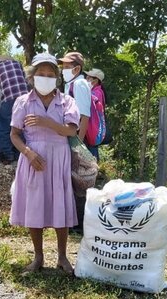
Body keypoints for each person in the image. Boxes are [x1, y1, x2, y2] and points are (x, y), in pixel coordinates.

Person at [10, 53, 80, 275]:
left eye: (50, 75)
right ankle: (38, 256)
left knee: (60, 205)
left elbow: (71, 130)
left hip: (59, 157)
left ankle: (62, 256)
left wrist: (46, 122)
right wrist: (28, 153)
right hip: (33, 160)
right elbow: (14, 134)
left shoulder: (67, 102)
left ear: (57, 78)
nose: (46, 78)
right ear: (32, 77)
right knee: (35, 206)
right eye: (41, 74)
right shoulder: (23, 101)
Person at [58, 51, 91, 234]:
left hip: (77, 139)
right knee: (74, 180)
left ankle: (78, 224)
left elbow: (84, 115)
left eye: (67, 66)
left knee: (80, 181)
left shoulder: (78, 84)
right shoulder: (71, 84)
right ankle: (73, 221)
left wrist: (79, 145)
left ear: (77, 68)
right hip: (71, 137)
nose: (63, 70)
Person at [0, 55, 29, 164]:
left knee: (5, 127)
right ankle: (20, 154)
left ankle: (7, 155)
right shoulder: (18, 64)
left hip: (9, 100)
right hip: (26, 100)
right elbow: (24, 78)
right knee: (21, 127)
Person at [85, 67, 106, 161]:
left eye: (89, 78)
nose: (86, 79)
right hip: (92, 129)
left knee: (91, 159)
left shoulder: (97, 93)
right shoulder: (98, 91)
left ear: (96, 80)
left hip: (93, 129)